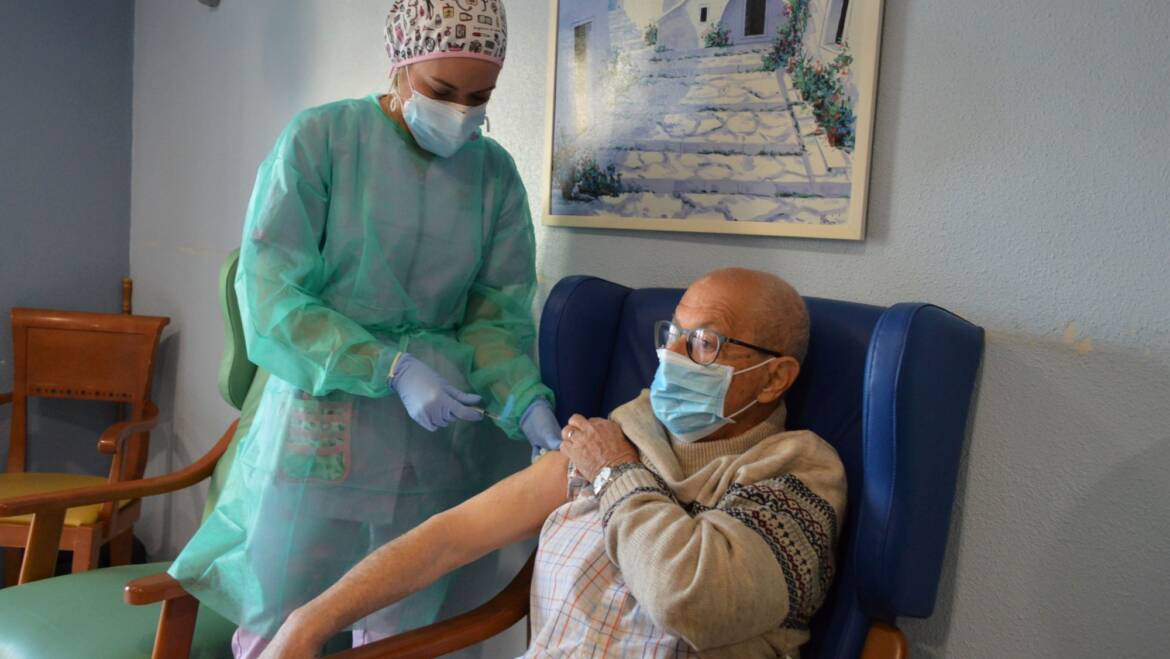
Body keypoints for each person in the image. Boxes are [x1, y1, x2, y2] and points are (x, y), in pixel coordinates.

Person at [167, 2, 563, 656]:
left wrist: (524, 399)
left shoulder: (493, 178)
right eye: (441, 92)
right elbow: (271, 295)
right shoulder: (320, 142)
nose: (461, 113)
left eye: (479, 97)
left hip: (430, 440)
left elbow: (495, 317)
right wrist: (389, 366)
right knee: (283, 618)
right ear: (401, 62)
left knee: (401, 622)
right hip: (322, 422)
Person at [260, 268, 848, 659]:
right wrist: (311, 620)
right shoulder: (624, 430)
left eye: (705, 343)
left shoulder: (794, 471)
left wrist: (617, 473)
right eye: (672, 334)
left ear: (775, 377)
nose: (670, 358)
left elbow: (690, 602)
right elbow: (451, 537)